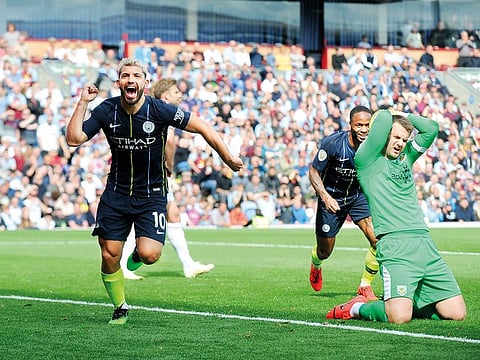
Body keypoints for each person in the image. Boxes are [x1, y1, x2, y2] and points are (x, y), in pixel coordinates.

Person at [66, 58, 242, 325]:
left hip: (151, 195)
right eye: (125, 75)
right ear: (119, 83)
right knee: (109, 254)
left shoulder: (160, 110)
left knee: (150, 255)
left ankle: (138, 254)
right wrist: (82, 103)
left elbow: (204, 127)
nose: (130, 80)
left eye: (136, 75)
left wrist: (227, 157)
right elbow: (73, 138)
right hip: (116, 193)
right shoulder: (106, 110)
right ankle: (120, 306)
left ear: (145, 84)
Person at [327, 108, 466, 324]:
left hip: (424, 244)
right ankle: (356, 307)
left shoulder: (406, 157)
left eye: (404, 139)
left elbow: (431, 129)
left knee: (457, 313)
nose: (401, 143)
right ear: (383, 137)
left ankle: (405, 301)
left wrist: (404, 116)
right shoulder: (367, 160)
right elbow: (382, 118)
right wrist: (391, 113)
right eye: (396, 137)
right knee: (398, 318)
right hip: (394, 246)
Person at [121, 77, 215, 280]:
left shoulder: (150, 110)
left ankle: (188, 264)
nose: (180, 95)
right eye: (175, 92)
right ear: (165, 96)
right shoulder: (163, 111)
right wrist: (168, 168)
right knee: (139, 217)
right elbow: (170, 140)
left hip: (146, 172)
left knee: (173, 214)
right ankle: (123, 265)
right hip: (152, 174)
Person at [308, 105, 379, 301]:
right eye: (359, 125)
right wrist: (325, 196)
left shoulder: (374, 144)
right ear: (350, 125)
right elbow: (314, 172)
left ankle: (365, 286)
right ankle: (316, 264)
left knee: (377, 240)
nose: (363, 129)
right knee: (325, 251)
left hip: (357, 196)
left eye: (367, 125)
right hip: (332, 198)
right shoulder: (333, 144)